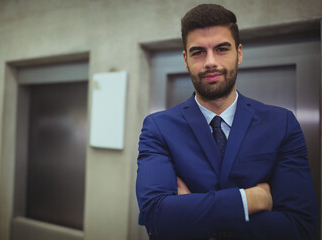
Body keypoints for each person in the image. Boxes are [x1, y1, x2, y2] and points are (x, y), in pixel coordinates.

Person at [136, 4, 318, 240]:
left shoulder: (281, 123)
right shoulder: (158, 128)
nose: (210, 61)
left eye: (222, 48)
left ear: (239, 53)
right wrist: (251, 199)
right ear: (185, 59)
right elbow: (155, 216)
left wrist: (188, 214)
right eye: (198, 52)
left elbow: (301, 227)